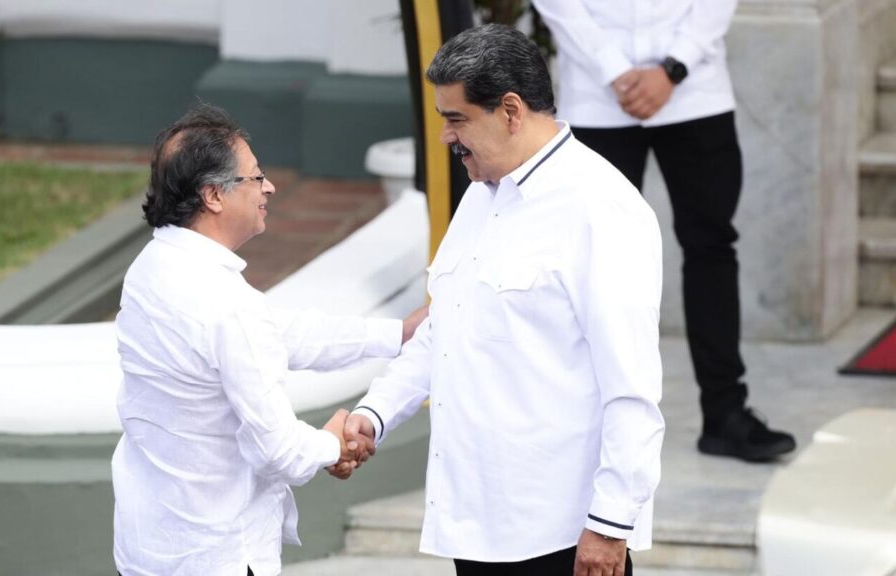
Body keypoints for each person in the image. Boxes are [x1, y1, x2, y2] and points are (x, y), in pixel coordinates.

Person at [337, 24, 665, 576]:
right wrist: (375, 413)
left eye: (456, 118)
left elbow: (631, 389)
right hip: (480, 525)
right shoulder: (481, 196)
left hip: (562, 536)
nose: (446, 137)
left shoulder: (600, 208)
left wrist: (610, 526)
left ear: (511, 110)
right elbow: (445, 328)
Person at [111, 104, 424, 576]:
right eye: (256, 178)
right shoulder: (225, 303)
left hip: (148, 549)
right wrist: (334, 443)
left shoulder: (151, 269)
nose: (270, 187)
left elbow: (278, 335)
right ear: (214, 195)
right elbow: (280, 450)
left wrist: (396, 334)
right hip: (218, 557)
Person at [531, 0, 796, 462]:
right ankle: (587, 423)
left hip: (696, 93)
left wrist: (673, 69)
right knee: (593, 261)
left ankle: (725, 414)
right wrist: (613, 68)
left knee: (711, 248)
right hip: (597, 96)